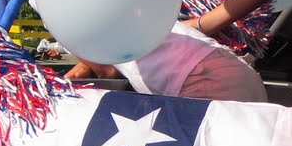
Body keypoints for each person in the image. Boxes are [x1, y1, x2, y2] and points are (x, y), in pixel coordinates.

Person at [68, 21, 268, 102]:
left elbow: (108, 74)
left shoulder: (74, 21)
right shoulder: (133, 7)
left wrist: (89, 62)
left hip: (200, 83)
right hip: (240, 72)